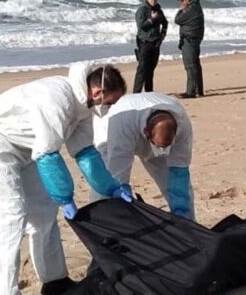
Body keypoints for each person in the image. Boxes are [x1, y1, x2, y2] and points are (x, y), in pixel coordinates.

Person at [0, 63, 127, 295]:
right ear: (98, 93)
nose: (109, 108)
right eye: (110, 101)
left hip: (28, 150)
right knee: (10, 212)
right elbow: (48, 155)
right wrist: (66, 197)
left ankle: (54, 279)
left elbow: (84, 152)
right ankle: (4, 294)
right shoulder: (57, 99)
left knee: (43, 211)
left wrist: (111, 187)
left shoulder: (83, 108)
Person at [84, 92, 196, 220]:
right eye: (159, 146)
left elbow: (179, 170)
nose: (162, 150)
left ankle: (189, 226)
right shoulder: (122, 124)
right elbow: (119, 171)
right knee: (105, 184)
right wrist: (122, 195)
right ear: (146, 132)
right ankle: (102, 224)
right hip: (111, 132)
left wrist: (181, 208)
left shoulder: (183, 125)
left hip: (152, 133)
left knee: (181, 190)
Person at [132, 0, 167, 93]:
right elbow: (142, 27)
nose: (153, 0)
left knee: (151, 70)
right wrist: (151, 19)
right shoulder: (142, 10)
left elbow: (165, 23)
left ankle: (149, 92)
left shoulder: (158, 10)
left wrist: (163, 34)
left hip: (155, 43)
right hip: (144, 42)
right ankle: (136, 93)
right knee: (142, 69)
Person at [174, 0, 205, 98]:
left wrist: (180, 10)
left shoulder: (191, 8)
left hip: (190, 39)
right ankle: (198, 90)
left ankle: (191, 91)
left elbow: (177, 20)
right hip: (193, 39)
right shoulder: (195, 7)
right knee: (195, 65)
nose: (181, 3)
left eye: (182, 0)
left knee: (190, 66)